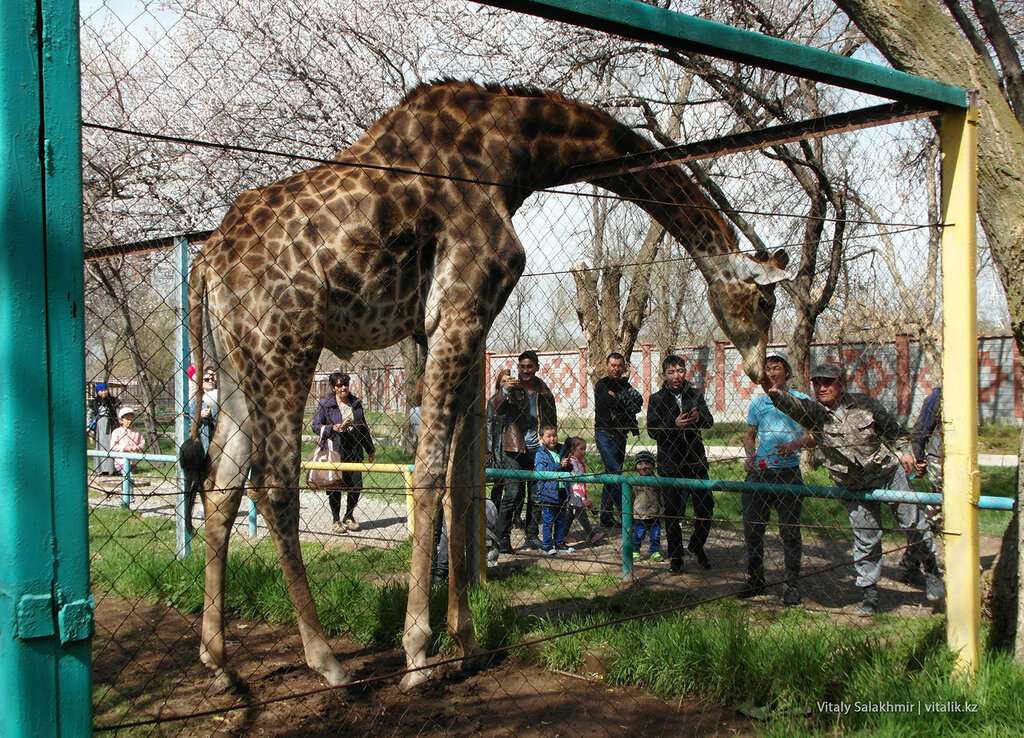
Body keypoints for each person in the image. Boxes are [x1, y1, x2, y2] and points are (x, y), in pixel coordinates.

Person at [763, 362, 943, 615]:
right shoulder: (815, 413)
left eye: (828, 382)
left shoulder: (865, 404)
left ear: (841, 383)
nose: (821, 387)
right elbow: (793, 405)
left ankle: (932, 570)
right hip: (854, 485)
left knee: (913, 523)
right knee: (866, 539)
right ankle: (869, 592)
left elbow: (894, 431)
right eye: (817, 382)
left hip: (886, 475)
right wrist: (773, 391)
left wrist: (905, 452)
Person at [740, 351, 814, 606]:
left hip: (788, 473)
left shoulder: (801, 400)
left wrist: (797, 442)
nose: (771, 373)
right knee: (752, 530)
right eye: (768, 368)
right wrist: (750, 457)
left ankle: (791, 585)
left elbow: (815, 435)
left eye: (776, 368)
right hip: (760, 473)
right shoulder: (758, 404)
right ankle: (755, 579)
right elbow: (750, 437)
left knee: (790, 533)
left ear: (787, 372)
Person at [646, 355, 714, 574]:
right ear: (665, 375)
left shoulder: (695, 394)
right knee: (673, 513)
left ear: (686, 372)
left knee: (706, 506)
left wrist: (698, 417)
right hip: (670, 463)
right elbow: (652, 431)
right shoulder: (657, 399)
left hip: (695, 461)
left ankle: (696, 544)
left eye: (680, 371)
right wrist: (673, 424)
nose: (676, 376)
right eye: (671, 372)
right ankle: (676, 558)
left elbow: (710, 422)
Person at [495, 351, 557, 550]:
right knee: (512, 492)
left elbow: (551, 418)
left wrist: (549, 441)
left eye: (529, 366)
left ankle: (531, 535)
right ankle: (503, 537)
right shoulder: (513, 388)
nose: (525, 370)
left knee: (536, 493)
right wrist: (504, 391)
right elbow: (495, 408)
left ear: (537, 367)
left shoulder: (543, 389)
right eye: (522, 366)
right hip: (514, 447)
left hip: (538, 448)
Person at [311, 371, 375, 533]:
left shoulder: (355, 403)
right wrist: (332, 428)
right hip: (335, 449)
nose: (343, 388)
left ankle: (349, 515)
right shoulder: (325, 404)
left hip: (354, 447)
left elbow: (363, 428)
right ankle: (336, 520)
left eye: (346, 384)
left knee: (356, 484)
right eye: (339, 385)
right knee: (335, 484)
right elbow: (315, 426)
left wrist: (370, 449)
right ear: (333, 387)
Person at [594, 352, 644, 528]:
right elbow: (607, 403)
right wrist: (623, 402)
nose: (616, 369)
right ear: (607, 366)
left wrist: (618, 401)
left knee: (611, 473)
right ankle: (627, 514)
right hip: (604, 433)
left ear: (623, 367)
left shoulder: (624, 384)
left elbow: (637, 403)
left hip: (621, 434)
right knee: (615, 473)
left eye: (619, 365)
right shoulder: (601, 385)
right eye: (613, 365)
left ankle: (606, 515)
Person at [534, 425, 574, 555]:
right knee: (548, 519)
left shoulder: (561, 449)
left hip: (562, 490)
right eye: (548, 436)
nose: (552, 438)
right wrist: (559, 465)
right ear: (541, 438)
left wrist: (568, 465)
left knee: (561, 519)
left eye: (554, 435)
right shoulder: (540, 453)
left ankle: (559, 542)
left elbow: (569, 468)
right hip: (548, 492)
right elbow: (541, 471)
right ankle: (546, 544)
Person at [562, 436, 606, 546]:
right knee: (581, 515)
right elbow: (574, 480)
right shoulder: (572, 462)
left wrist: (585, 498)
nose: (584, 452)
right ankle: (592, 535)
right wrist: (582, 498)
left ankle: (563, 534)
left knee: (570, 515)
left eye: (585, 449)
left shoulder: (579, 461)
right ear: (572, 450)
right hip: (574, 493)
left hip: (578, 493)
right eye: (581, 449)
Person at [631, 450, 662, 561]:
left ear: (653, 466)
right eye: (640, 464)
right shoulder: (634, 481)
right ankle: (635, 552)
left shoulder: (657, 481)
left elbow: (660, 497)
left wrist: (662, 506)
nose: (644, 466)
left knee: (656, 535)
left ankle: (654, 552)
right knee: (638, 534)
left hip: (654, 514)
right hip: (639, 515)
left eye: (647, 463)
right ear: (636, 467)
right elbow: (630, 498)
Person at [89, 383, 121, 475]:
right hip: (100, 426)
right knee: (101, 446)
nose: (104, 392)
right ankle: (102, 469)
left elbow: (118, 412)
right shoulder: (95, 402)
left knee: (113, 445)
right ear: (98, 392)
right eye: (101, 391)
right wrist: (88, 426)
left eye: (105, 390)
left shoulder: (113, 401)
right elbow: (90, 414)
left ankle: (114, 468)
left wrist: (120, 422)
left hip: (112, 425)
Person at [187, 368, 219, 453]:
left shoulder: (220, 398)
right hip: (204, 438)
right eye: (206, 379)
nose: (210, 381)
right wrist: (199, 415)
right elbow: (191, 421)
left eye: (212, 379)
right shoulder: (197, 401)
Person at [110, 407, 145, 474]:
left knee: (130, 474)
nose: (130, 421)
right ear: (121, 420)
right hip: (121, 461)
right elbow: (113, 446)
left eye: (132, 419)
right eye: (127, 419)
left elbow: (142, 443)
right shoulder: (117, 432)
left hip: (133, 461)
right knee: (127, 474)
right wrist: (125, 448)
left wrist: (137, 448)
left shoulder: (137, 432)